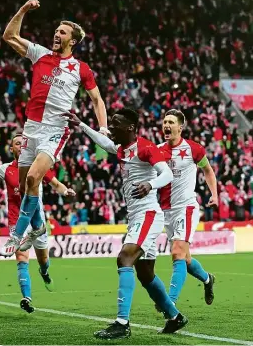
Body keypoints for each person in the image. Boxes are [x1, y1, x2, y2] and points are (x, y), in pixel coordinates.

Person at [64, 109, 188, 339]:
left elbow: (167, 174)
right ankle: (174, 316)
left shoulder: (146, 147)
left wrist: (150, 185)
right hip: (136, 217)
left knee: (125, 258)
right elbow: (104, 141)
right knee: (145, 273)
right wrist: (81, 124)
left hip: (148, 214)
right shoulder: (122, 149)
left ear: (130, 127)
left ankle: (122, 323)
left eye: (115, 124)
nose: (111, 128)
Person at [0, 0, 108, 257]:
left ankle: (16, 235)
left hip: (55, 130)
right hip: (31, 128)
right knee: (27, 186)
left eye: (62, 32)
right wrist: (24, 8)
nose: (56, 34)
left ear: (73, 40)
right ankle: (38, 226)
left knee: (35, 178)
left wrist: (102, 128)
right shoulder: (40, 53)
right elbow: (9, 35)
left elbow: (97, 99)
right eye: (56, 30)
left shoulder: (81, 69)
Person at [0, 134, 76, 313]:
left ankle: (45, 273)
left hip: (38, 223)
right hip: (16, 222)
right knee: (21, 257)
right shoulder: (5, 169)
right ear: (12, 149)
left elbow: (56, 184)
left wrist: (66, 192)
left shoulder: (37, 167)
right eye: (17, 143)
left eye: (23, 143)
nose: (21, 146)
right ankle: (27, 297)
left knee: (43, 260)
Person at [158, 109, 217, 310]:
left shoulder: (193, 149)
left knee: (177, 252)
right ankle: (208, 279)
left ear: (180, 127)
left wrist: (214, 194)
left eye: (171, 122)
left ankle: (169, 302)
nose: (166, 125)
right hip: (167, 212)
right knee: (186, 258)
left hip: (187, 207)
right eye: (165, 121)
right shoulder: (157, 151)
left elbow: (208, 170)